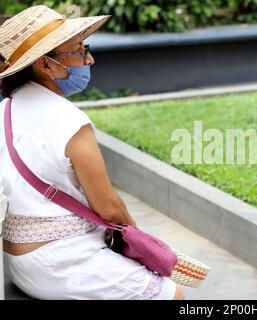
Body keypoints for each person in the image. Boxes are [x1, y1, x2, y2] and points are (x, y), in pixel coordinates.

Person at [0, 5, 184, 300]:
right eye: (78, 50)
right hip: (64, 262)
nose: (89, 58)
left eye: (86, 47)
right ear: (45, 65)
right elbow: (109, 207)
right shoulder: (69, 121)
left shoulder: (6, 109)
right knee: (172, 295)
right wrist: (138, 238)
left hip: (21, 263)